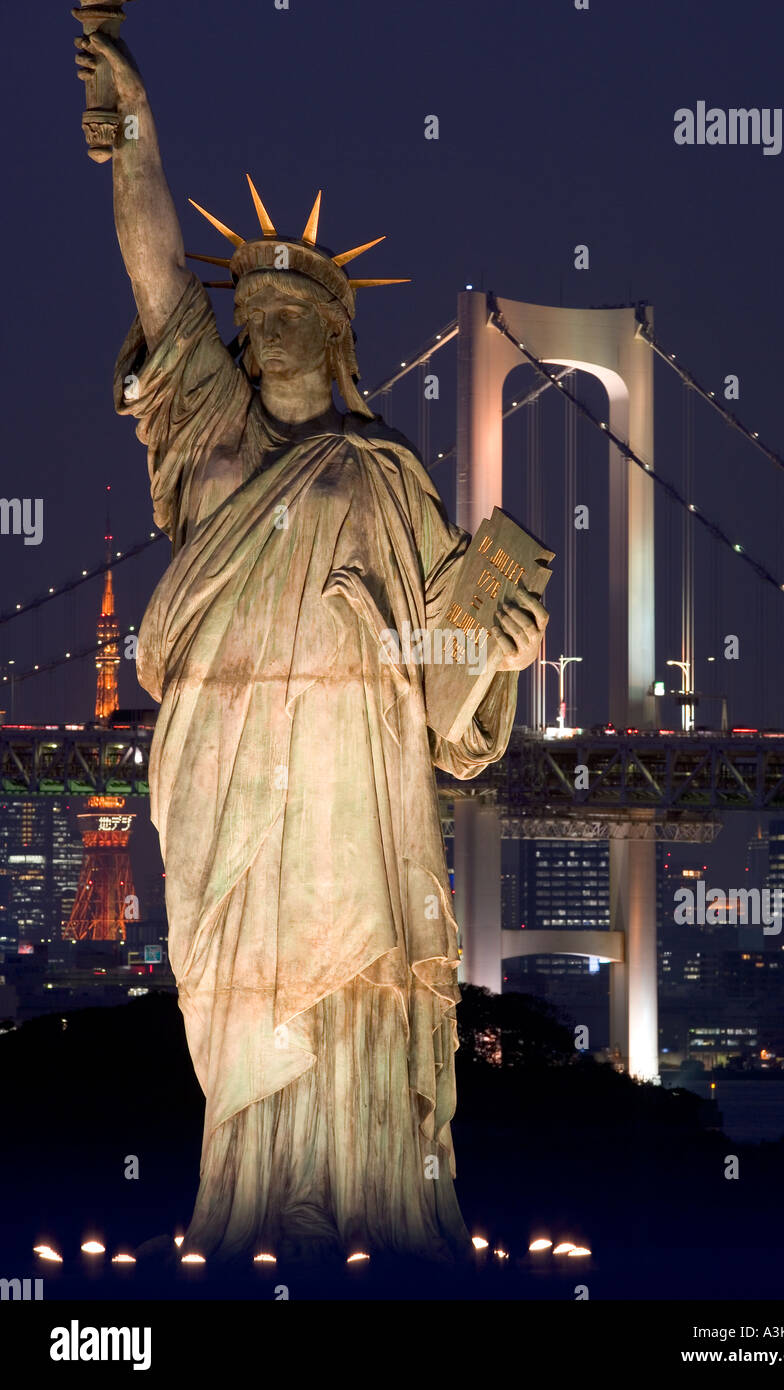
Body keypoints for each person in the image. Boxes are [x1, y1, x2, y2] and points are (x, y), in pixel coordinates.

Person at [75, 25, 548, 1263]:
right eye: (257, 307)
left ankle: (374, 1228)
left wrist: (500, 649)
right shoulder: (212, 433)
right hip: (231, 784)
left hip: (353, 785)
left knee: (356, 997)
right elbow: (155, 277)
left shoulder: (386, 477)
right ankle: (252, 1226)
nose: (270, 322)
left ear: (338, 334)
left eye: (295, 308)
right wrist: (135, 134)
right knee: (248, 1015)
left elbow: (440, 671)